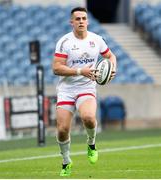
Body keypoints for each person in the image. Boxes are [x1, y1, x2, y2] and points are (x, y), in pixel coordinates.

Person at [52, 7, 117, 177]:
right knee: (62, 129)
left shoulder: (97, 40)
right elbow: (56, 68)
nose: (81, 21)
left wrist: (112, 69)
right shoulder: (64, 42)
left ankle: (91, 144)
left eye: (83, 18)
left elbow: (111, 56)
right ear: (71, 22)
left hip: (86, 87)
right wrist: (81, 71)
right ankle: (66, 161)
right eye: (77, 19)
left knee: (88, 118)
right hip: (66, 89)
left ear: (87, 21)